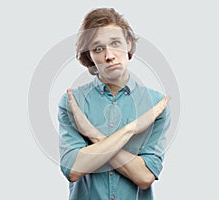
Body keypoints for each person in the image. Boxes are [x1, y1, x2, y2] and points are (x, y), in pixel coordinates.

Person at [58, 8, 171, 200]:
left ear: (128, 44)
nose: (109, 55)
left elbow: (145, 177)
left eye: (115, 43)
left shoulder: (155, 105)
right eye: (98, 48)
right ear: (90, 56)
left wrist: (93, 134)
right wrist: (132, 129)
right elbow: (74, 169)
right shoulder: (73, 102)